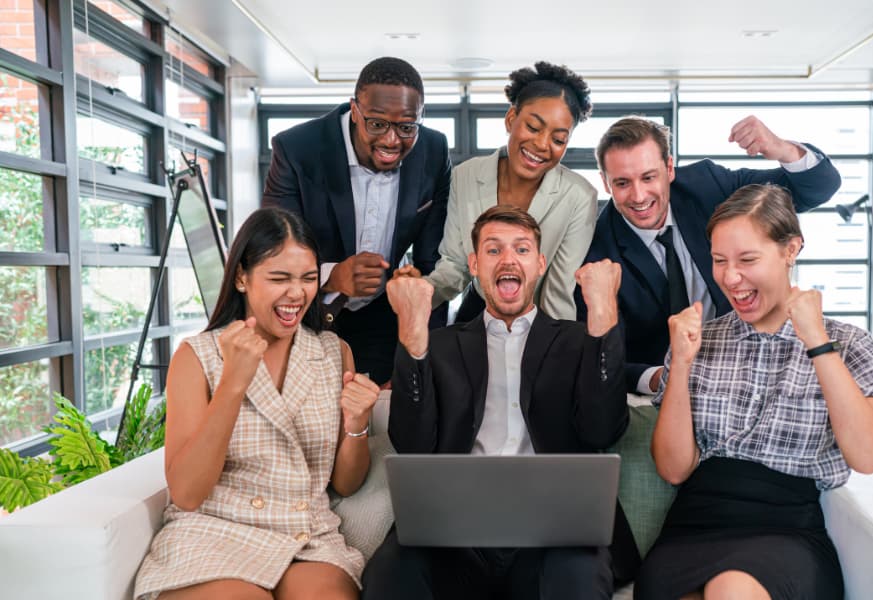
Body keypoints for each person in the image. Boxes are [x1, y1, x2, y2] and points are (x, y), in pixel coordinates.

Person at [635, 184, 873, 600]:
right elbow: (673, 469)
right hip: (693, 526)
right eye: (719, 261)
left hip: (785, 528)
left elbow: (869, 457)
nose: (730, 278)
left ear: (791, 250)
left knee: (732, 591)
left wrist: (816, 342)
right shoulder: (700, 339)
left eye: (747, 259)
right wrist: (680, 363)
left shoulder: (848, 343)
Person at [361, 205, 628, 600]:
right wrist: (413, 336)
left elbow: (602, 429)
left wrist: (604, 312)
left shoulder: (578, 340)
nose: (508, 259)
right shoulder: (439, 345)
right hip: (452, 534)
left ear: (539, 264)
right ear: (473, 264)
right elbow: (413, 444)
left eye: (521, 250)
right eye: (493, 250)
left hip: (555, 533)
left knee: (578, 577)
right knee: (391, 571)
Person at [133, 207, 380, 600]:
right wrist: (233, 383)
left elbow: (345, 484)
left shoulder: (335, 353)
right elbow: (188, 493)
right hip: (214, 530)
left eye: (309, 278)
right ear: (242, 278)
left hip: (306, 536)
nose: (297, 293)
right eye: (279, 278)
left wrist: (358, 422)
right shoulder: (197, 356)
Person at [576, 116, 842, 395]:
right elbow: (601, 356)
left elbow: (816, 188)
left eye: (648, 177)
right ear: (605, 183)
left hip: (748, 364)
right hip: (667, 389)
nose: (639, 196)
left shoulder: (708, 186)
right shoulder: (596, 249)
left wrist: (780, 148)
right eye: (622, 183)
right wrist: (658, 378)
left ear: (669, 169)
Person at [262, 56, 451, 384]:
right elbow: (273, 255)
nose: (392, 141)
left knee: (380, 426)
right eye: (377, 124)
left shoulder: (433, 151)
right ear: (355, 109)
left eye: (407, 127)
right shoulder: (297, 149)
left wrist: (420, 359)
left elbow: (433, 263)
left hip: (383, 320)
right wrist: (332, 276)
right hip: (306, 314)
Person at [423, 61, 596, 322]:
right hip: (479, 313)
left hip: (541, 319)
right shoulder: (465, 176)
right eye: (533, 127)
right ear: (511, 119)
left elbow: (557, 291)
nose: (541, 144)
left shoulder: (580, 196)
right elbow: (456, 264)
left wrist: (557, 351)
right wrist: (421, 293)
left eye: (558, 139)